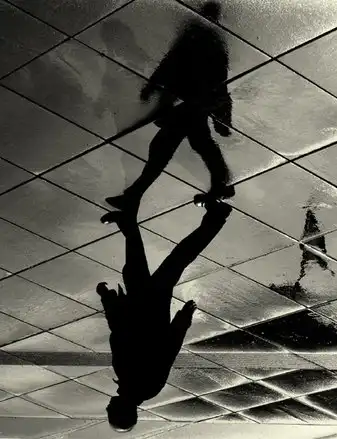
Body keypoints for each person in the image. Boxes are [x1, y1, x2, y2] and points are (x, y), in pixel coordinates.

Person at [98, 200, 233, 432]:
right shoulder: (144, 386)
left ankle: (128, 222)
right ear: (122, 409)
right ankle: (217, 216)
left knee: (139, 265)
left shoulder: (132, 383)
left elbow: (122, 335)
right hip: (150, 308)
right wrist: (182, 321)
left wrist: (109, 301)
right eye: (111, 411)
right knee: (175, 259)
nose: (108, 407)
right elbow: (167, 350)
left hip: (141, 307)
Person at [105, 0, 234, 212]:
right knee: (193, 143)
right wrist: (223, 116)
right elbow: (217, 80)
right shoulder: (211, 41)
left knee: (169, 147)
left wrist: (152, 87)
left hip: (189, 104)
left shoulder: (199, 37)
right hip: (192, 104)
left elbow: (172, 63)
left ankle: (133, 196)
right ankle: (221, 183)